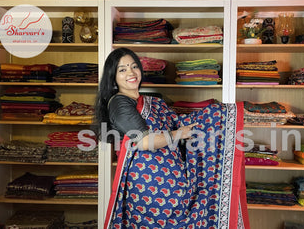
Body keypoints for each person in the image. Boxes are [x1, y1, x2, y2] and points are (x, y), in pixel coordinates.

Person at [95, 48, 250, 229]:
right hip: (148, 185)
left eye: (134, 66)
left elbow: (176, 123)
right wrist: (178, 134)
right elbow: (144, 142)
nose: (131, 72)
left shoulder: (151, 101)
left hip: (173, 183)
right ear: (113, 76)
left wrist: (217, 114)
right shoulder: (120, 102)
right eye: (122, 69)